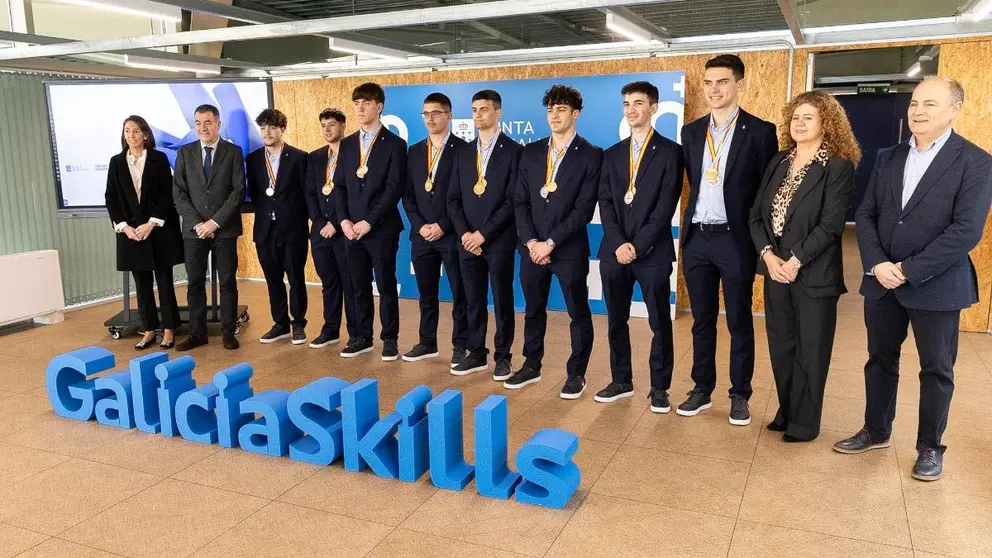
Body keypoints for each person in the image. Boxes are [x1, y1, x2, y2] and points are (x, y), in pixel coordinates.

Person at [834, 77, 992, 481]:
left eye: (931, 104)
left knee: (936, 369)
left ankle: (929, 447)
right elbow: (865, 214)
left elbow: (966, 230)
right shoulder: (889, 157)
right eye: (915, 103)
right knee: (879, 359)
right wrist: (877, 263)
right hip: (882, 281)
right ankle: (876, 429)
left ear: (955, 109)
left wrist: (907, 269)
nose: (918, 111)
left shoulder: (976, 161)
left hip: (936, 285)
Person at [749, 91, 859, 442]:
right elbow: (756, 215)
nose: (799, 123)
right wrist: (768, 256)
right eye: (795, 117)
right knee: (782, 346)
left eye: (808, 117)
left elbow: (830, 225)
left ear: (827, 123)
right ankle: (788, 410)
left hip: (814, 274)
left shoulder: (838, 165)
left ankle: (805, 423)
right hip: (775, 269)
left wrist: (794, 261)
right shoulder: (779, 161)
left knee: (811, 350)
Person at [679, 54, 778, 425]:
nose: (714, 89)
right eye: (708, 82)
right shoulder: (691, 132)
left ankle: (740, 394)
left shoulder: (760, 131)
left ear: (739, 84)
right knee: (701, 320)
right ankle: (702, 389)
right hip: (698, 237)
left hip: (734, 239)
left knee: (738, 320)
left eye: (722, 81)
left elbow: (765, 192)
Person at [593, 81, 684, 413]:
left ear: (654, 108)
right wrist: (618, 242)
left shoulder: (672, 152)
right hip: (614, 252)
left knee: (659, 321)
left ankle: (659, 387)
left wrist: (637, 245)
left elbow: (665, 206)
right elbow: (605, 202)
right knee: (616, 319)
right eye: (627, 104)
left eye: (639, 103)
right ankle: (621, 380)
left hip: (652, 252)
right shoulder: (612, 154)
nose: (631, 109)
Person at [505, 85, 601, 398]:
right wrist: (532, 241)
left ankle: (576, 374)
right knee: (533, 309)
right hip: (532, 249)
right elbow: (520, 201)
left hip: (568, 249)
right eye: (550, 110)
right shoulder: (530, 152)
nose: (554, 115)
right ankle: (531, 365)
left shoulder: (590, 155)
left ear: (575, 114)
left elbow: (583, 210)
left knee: (578, 312)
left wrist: (551, 243)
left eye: (561, 109)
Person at [447, 89, 522, 379]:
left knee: (502, 299)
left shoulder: (515, 151)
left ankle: (503, 357)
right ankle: (476, 352)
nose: (478, 115)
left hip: (498, 240)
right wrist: (467, 233)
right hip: (466, 241)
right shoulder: (463, 153)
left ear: (498, 113)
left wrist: (483, 235)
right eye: (475, 110)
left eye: (484, 110)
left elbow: (512, 200)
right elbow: (452, 199)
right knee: (472, 299)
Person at [333, 82, 407, 361]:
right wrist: (344, 221)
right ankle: (360, 336)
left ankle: (390, 339)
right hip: (351, 229)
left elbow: (394, 188)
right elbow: (339, 186)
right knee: (356, 285)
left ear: (379, 107)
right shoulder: (348, 143)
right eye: (356, 104)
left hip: (381, 229)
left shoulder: (395, 144)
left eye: (366, 103)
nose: (360, 109)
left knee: (386, 285)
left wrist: (368, 222)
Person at [105, 115, 184, 350]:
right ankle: (149, 330)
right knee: (142, 285)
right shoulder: (116, 162)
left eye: (136, 131)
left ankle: (169, 330)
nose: (131, 135)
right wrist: (124, 227)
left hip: (157, 231)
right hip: (132, 234)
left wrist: (151, 223)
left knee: (165, 283)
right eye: (127, 131)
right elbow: (111, 198)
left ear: (146, 134)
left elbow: (166, 195)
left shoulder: (159, 159)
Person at [402, 93, 470, 366]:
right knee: (426, 293)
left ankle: (460, 346)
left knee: (459, 294)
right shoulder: (415, 151)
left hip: (451, 234)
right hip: (421, 236)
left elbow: (465, 197)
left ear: (449, 116)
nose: (430, 118)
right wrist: (421, 226)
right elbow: (407, 195)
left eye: (436, 113)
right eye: (426, 114)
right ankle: (427, 342)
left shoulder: (464, 150)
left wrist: (443, 225)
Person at [173, 104, 245, 351]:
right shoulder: (185, 153)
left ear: (218, 123)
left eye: (208, 122)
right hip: (194, 232)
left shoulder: (233, 152)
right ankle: (197, 333)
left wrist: (214, 223)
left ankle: (227, 331)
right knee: (194, 283)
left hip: (224, 229)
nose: (202, 127)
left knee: (227, 282)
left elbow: (237, 192)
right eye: (198, 123)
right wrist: (198, 224)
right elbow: (179, 193)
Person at [246, 108, 310, 346]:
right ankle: (280, 323)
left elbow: (306, 193)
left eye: (272, 127)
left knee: (296, 278)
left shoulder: (299, 157)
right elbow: (254, 193)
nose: (267, 132)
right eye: (263, 128)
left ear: (282, 129)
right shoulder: (252, 159)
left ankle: (299, 324)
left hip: (293, 228)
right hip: (265, 229)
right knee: (273, 279)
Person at [304, 108, 359, 349]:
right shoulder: (315, 157)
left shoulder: (355, 156)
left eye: (332, 125)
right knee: (329, 283)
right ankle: (330, 329)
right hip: (320, 232)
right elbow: (310, 194)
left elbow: (354, 196)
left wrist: (336, 224)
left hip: (344, 231)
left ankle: (356, 333)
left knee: (351, 283)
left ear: (343, 126)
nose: (327, 130)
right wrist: (320, 223)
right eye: (323, 125)